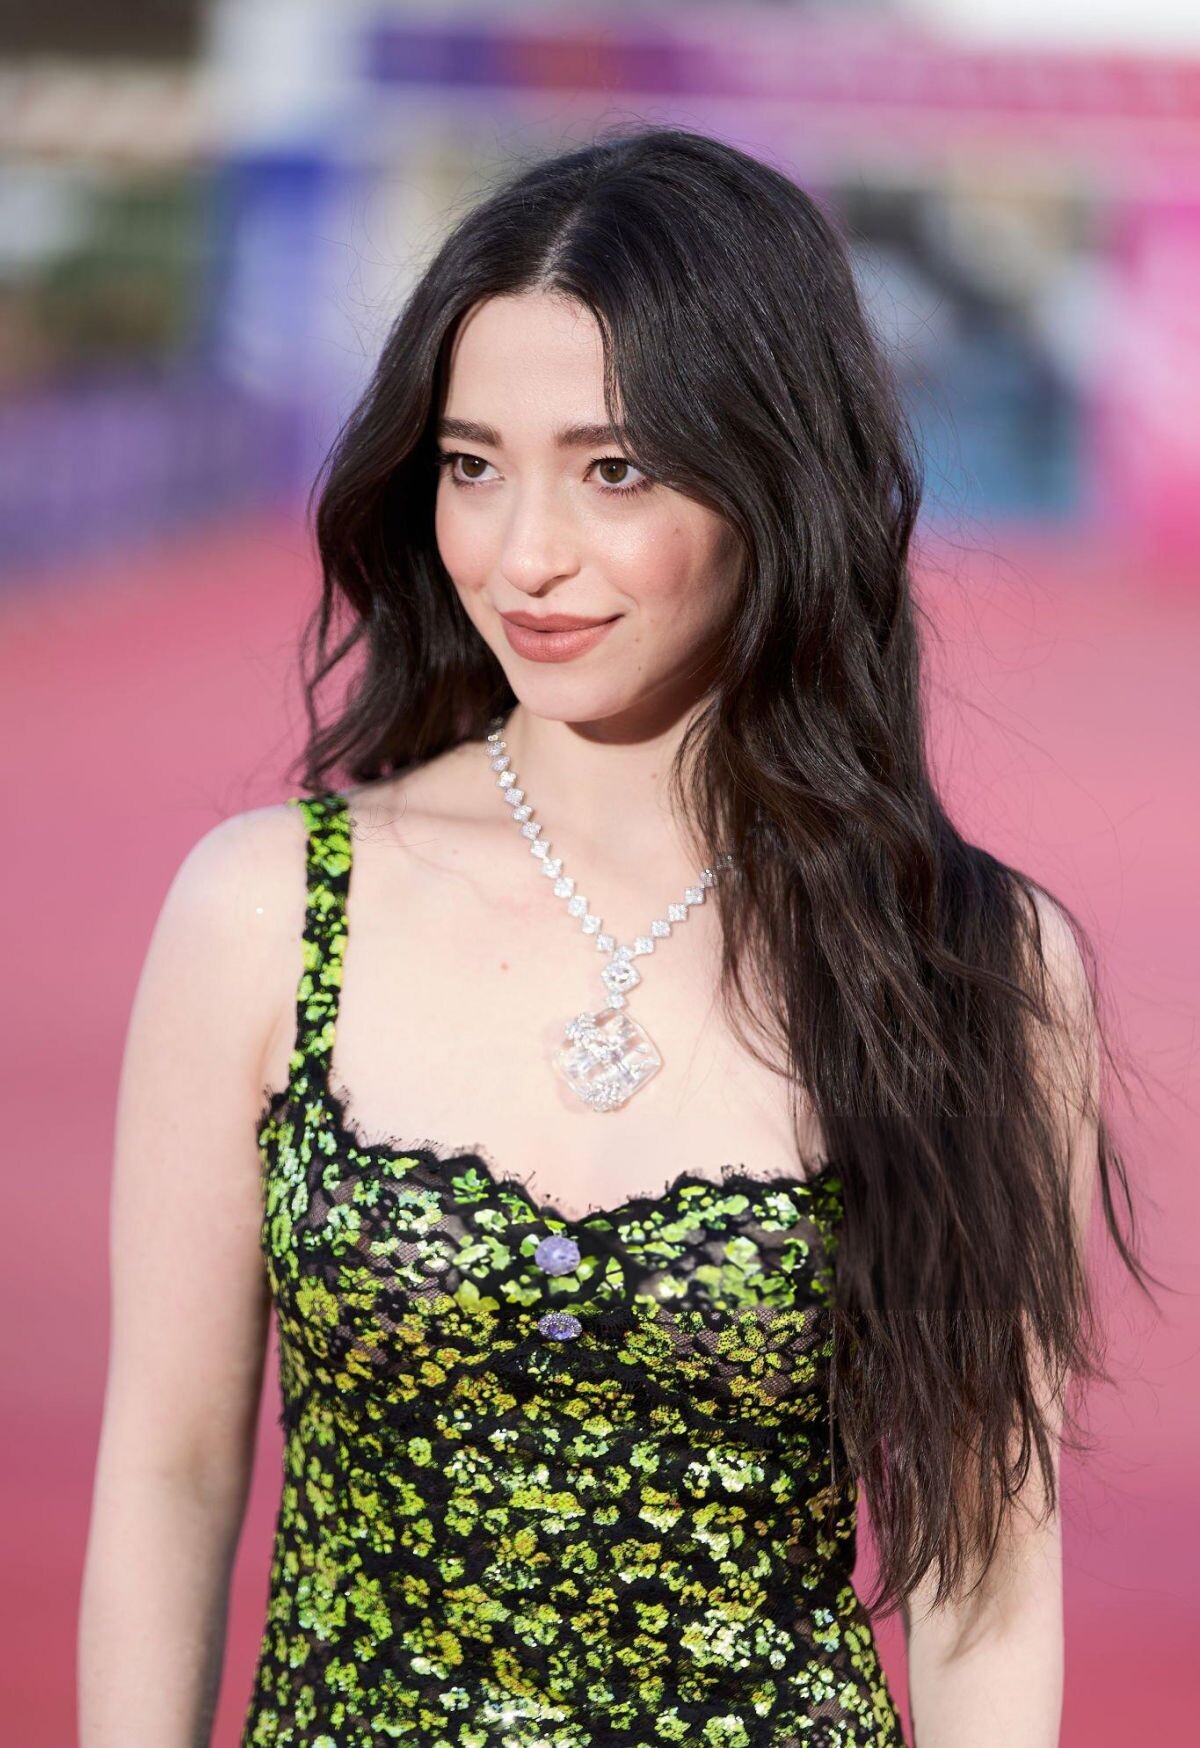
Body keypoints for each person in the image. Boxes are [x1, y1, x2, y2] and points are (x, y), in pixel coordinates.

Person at [78, 126, 1150, 1747]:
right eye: (472, 464)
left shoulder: (973, 969)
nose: (526, 555)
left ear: (775, 473)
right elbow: (168, 1474)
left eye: (615, 470)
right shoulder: (266, 912)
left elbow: (986, 1581)